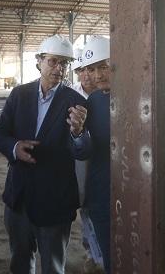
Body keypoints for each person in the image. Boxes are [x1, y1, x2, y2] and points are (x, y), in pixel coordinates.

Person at [0, 34, 88, 274]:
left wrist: (78, 133)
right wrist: (15, 147)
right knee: (20, 262)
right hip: (19, 198)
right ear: (39, 62)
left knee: (53, 265)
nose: (59, 68)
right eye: (53, 61)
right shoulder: (19, 95)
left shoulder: (75, 101)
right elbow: (0, 133)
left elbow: (83, 151)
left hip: (55, 201)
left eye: (64, 63)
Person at [72, 36, 111, 273]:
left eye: (103, 67)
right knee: (109, 256)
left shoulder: (141, 96)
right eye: (91, 69)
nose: (97, 75)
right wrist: (77, 133)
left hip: (133, 192)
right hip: (101, 196)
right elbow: (86, 150)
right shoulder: (94, 100)